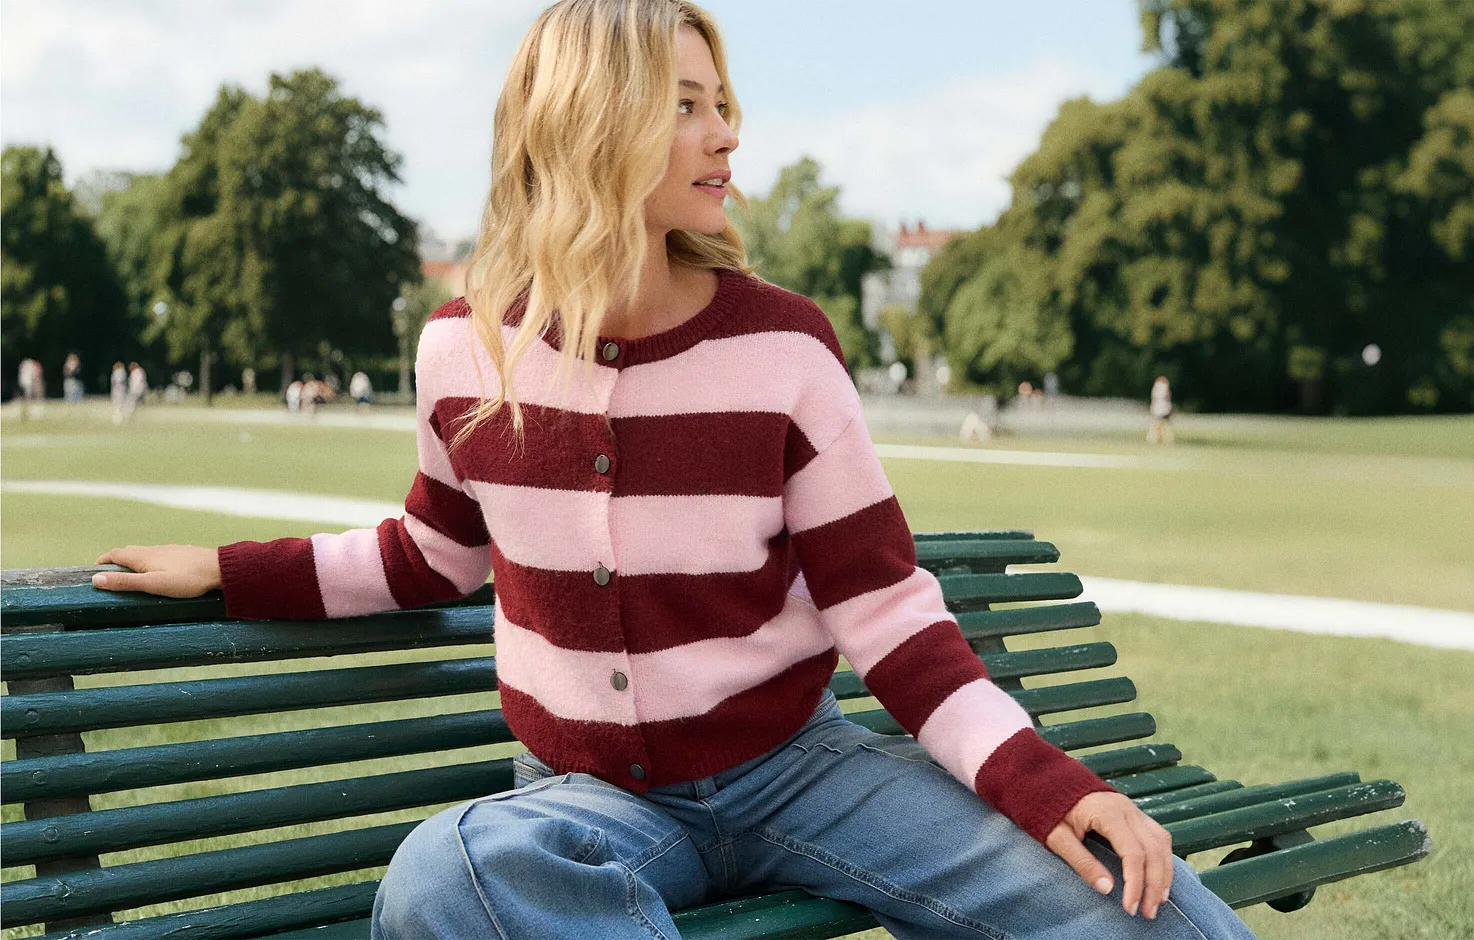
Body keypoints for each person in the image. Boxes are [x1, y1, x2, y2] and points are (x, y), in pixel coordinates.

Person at [84, 4, 1255, 938]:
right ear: (590, 124)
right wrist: (232, 570)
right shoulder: (464, 349)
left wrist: (1049, 785)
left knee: (1119, 894)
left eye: (723, 103)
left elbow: (890, 613)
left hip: (805, 773)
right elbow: (429, 553)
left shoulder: (783, 349)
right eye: (685, 105)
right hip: (587, 807)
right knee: (449, 876)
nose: (726, 133)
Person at [1148, 375, 1174, 445]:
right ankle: (1166, 439)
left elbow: (1154, 399)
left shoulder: (1156, 389)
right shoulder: (1164, 388)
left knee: (1158, 424)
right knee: (1163, 425)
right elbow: (1167, 398)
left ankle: (1154, 438)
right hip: (1163, 408)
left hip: (1159, 408)